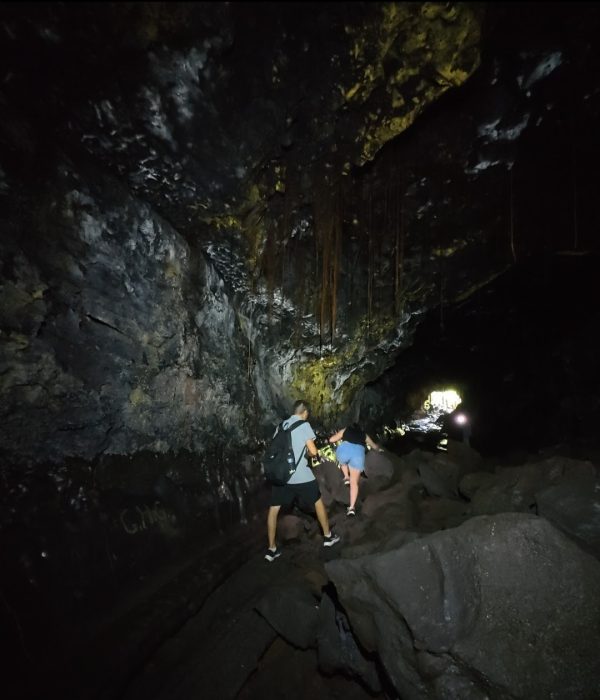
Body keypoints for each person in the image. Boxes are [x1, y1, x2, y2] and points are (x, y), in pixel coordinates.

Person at [265, 400, 341, 562]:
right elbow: (313, 452)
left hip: (281, 476)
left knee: (273, 510)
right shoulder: (303, 425)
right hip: (300, 475)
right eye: (308, 414)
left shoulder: (280, 426)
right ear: (304, 412)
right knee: (318, 501)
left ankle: (271, 549)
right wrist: (312, 452)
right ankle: (328, 536)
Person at [328, 423, 383, 517]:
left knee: (342, 460)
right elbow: (374, 446)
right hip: (358, 455)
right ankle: (352, 508)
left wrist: (340, 435)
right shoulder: (364, 434)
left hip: (344, 451)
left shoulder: (345, 430)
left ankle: (346, 477)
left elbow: (331, 440)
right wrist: (380, 450)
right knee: (354, 483)